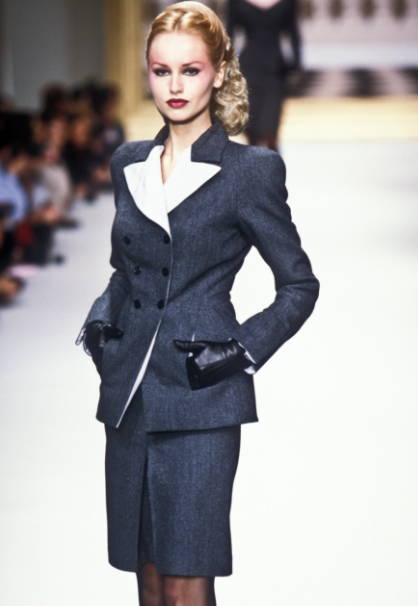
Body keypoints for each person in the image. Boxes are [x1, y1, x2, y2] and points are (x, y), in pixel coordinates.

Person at [77, 3, 319, 605]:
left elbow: (299, 285)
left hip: (201, 397)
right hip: (130, 397)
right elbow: (127, 267)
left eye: (190, 70)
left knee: (188, 584)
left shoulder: (249, 172)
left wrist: (238, 352)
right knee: (149, 584)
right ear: (147, 73)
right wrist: (101, 325)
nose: (175, 86)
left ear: (219, 72)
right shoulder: (128, 163)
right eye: (161, 71)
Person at [227, 0, 301, 151]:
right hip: (250, 68)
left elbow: (293, 31)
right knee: (252, 129)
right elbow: (230, 34)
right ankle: (254, 164)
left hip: (274, 70)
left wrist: (296, 62)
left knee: (271, 129)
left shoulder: (288, 3)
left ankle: (272, 164)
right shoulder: (235, 2)